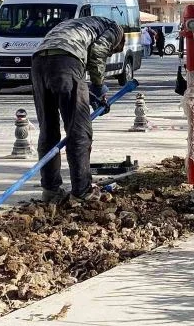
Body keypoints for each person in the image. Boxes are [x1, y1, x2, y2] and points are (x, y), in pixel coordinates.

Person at [31, 16, 124, 204]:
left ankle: (50, 190)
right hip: (67, 60)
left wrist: (91, 97)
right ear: (119, 42)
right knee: (79, 131)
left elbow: (77, 70)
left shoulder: (76, 25)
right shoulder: (115, 28)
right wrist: (99, 87)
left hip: (39, 63)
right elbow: (98, 52)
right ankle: (82, 191)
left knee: (48, 130)